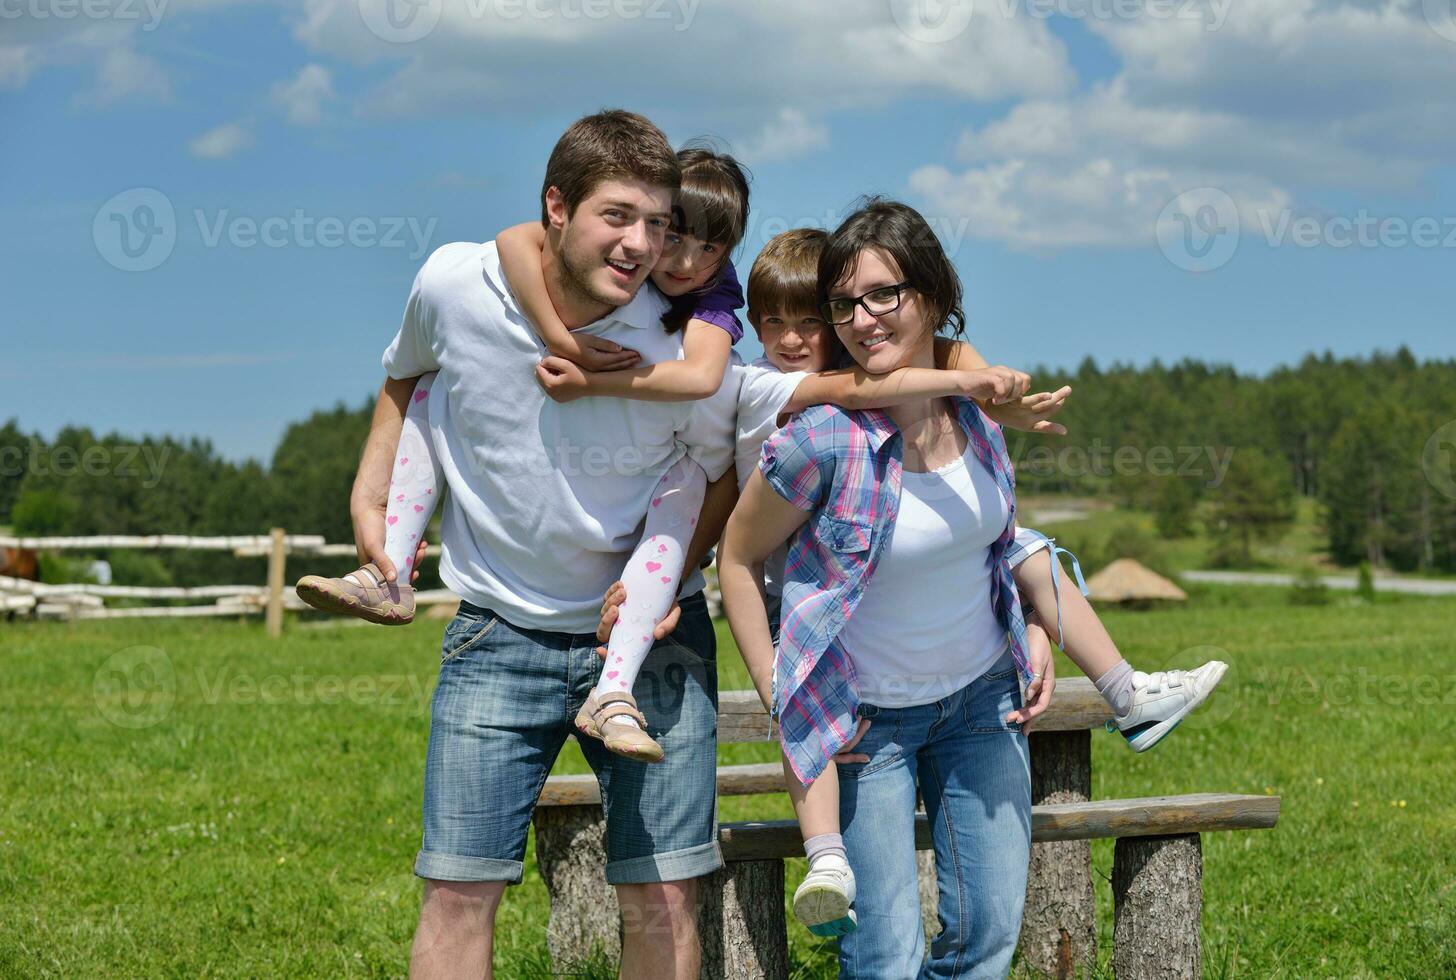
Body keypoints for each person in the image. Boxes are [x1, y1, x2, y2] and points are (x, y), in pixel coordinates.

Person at [718, 198, 1225, 977]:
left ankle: (1132, 693)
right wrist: (784, 688)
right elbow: (737, 558)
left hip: (982, 708)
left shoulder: (976, 413)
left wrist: (1029, 628)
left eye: (883, 294)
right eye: (844, 303)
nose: (862, 318)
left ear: (929, 295)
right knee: (885, 955)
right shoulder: (819, 437)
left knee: (986, 937)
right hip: (866, 730)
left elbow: (998, 544)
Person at [348, 109, 734, 979]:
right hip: (495, 635)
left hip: (651, 655)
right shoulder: (453, 283)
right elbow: (405, 370)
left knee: (666, 896)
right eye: (617, 216)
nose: (640, 245)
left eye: (658, 223)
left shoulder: (680, 336)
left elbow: (717, 474)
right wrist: (371, 483)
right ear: (555, 208)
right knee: (456, 891)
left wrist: (669, 587)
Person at [297, 143, 754, 765]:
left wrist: (592, 379)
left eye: (706, 249)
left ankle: (615, 685)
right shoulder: (471, 281)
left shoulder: (707, 310)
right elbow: (515, 240)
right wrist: (561, 336)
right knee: (434, 388)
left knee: (688, 480)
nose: (676, 259)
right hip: (496, 618)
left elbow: (703, 384)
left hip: (638, 590)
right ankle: (390, 573)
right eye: (668, 232)